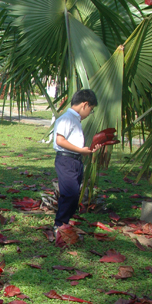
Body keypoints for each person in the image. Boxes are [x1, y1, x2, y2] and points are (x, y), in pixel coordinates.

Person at [53, 89, 100, 235]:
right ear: (84, 105)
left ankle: (65, 223)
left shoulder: (75, 120)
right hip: (66, 159)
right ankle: (59, 225)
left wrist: (89, 149)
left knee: (73, 194)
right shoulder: (67, 118)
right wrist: (80, 151)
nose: (89, 113)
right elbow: (60, 140)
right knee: (70, 193)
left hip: (75, 160)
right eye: (91, 110)